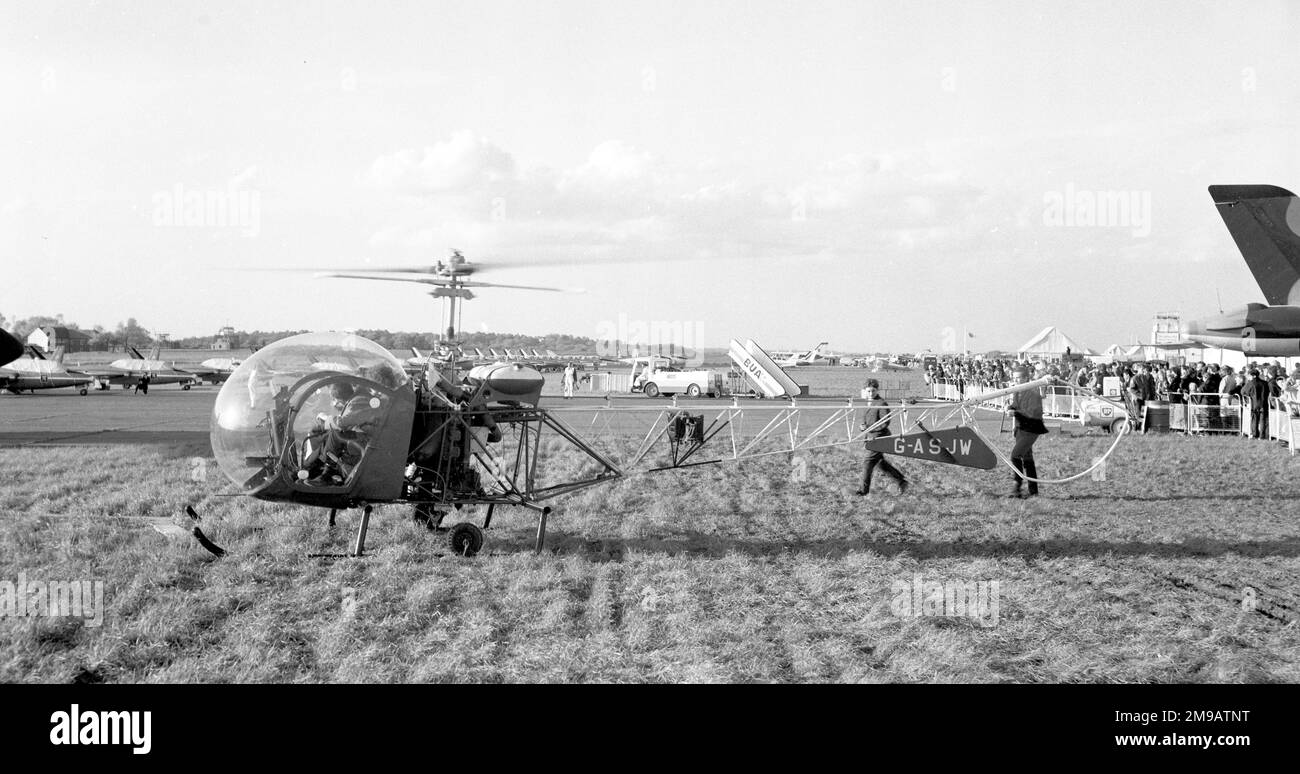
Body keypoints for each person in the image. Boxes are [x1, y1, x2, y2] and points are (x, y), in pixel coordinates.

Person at [855, 378, 907, 496]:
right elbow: (867, 420)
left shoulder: (881, 403)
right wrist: (863, 426)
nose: (871, 393)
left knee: (867, 462)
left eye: (873, 391)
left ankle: (863, 491)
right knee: (880, 463)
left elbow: (885, 422)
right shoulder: (869, 402)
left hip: (879, 437)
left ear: (877, 390)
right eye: (868, 391)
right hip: (871, 436)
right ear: (864, 391)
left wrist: (869, 428)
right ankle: (901, 480)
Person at [1006, 367, 1048, 498]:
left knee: (1015, 455)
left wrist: (1015, 413)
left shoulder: (1033, 393)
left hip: (1031, 429)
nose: (1016, 380)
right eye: (1014, 377)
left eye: (1018, 378)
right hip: (1020, 429)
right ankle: (1033, 491)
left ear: (1025, 378)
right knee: (1027, 458)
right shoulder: (1016, 391)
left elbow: (1033, 413)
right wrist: (1009, 407)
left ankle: (1016, 486)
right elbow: (1015, 404)